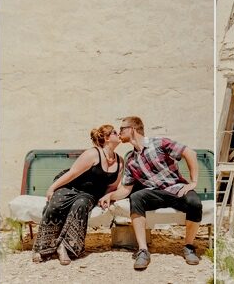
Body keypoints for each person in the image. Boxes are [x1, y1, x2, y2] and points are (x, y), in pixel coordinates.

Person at [100, 115, 202, 270]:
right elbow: (125, 189)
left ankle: (189, 246)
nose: (119, 132)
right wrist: (109, 195)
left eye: (121, 129)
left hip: (176, 189)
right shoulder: (131, 161)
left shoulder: (160, 143)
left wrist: (193, 181)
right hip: (154, 194)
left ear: (132, 129)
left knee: (194, 203)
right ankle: (143, 250)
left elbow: (190, 153)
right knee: (136, 196)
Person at [32, 124, 122, 264]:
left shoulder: (120, 161)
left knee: (81, 205)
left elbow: (113, 186)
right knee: (55, 205)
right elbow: (72, 173)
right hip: (70, 187)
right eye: (115, 132)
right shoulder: (93, 153)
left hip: (89, 195)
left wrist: (106, 196)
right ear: (106, 138)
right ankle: (43, 248)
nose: (119, 134)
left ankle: (65, 248)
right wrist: (52, 188)